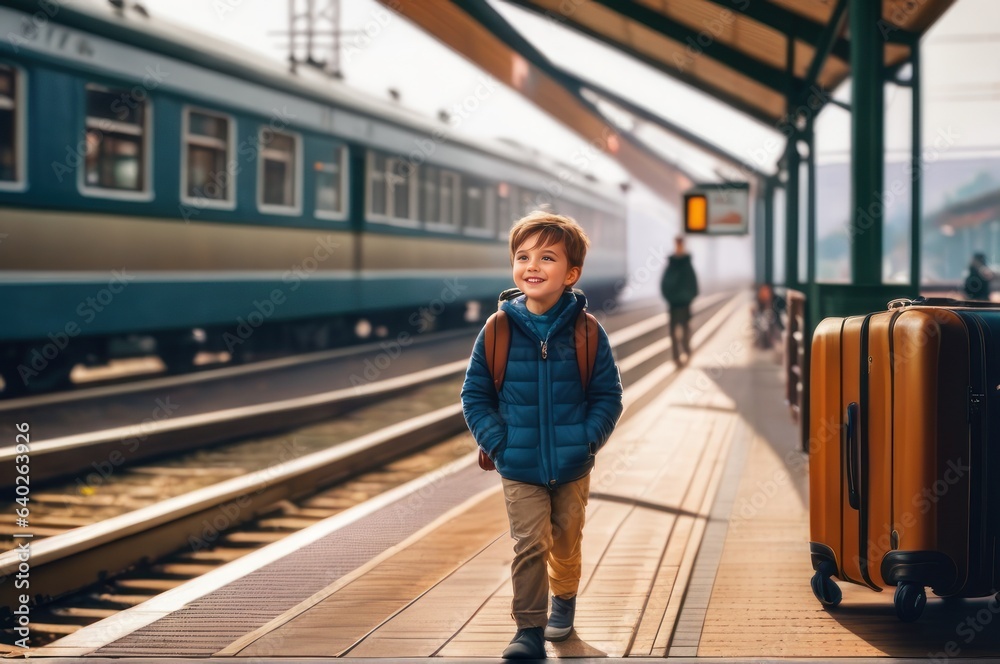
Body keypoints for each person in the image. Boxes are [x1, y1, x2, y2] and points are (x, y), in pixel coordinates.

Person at [461, 211, 623, 659]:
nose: (532, 265)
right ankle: (528, 632)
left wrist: (588, 439)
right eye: (523, 256)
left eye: (546, 257)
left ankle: (564, 597)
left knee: (566, 540)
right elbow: (474, 396)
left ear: (571, 274)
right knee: (530, 543)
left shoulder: (588, 333)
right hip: (519, 463)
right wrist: (500, 443)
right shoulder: (498, 330)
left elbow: (608, 395)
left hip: (573, 463)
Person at [660, 235, 699, 365]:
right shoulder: (675, 264)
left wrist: (686, 297)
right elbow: (665, 284)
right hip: (674, 304)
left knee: (684, 330)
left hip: (683, 304)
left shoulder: (685, 264)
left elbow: (693, 285)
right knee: (674, 332)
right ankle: (677, 357)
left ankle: (686, 352)